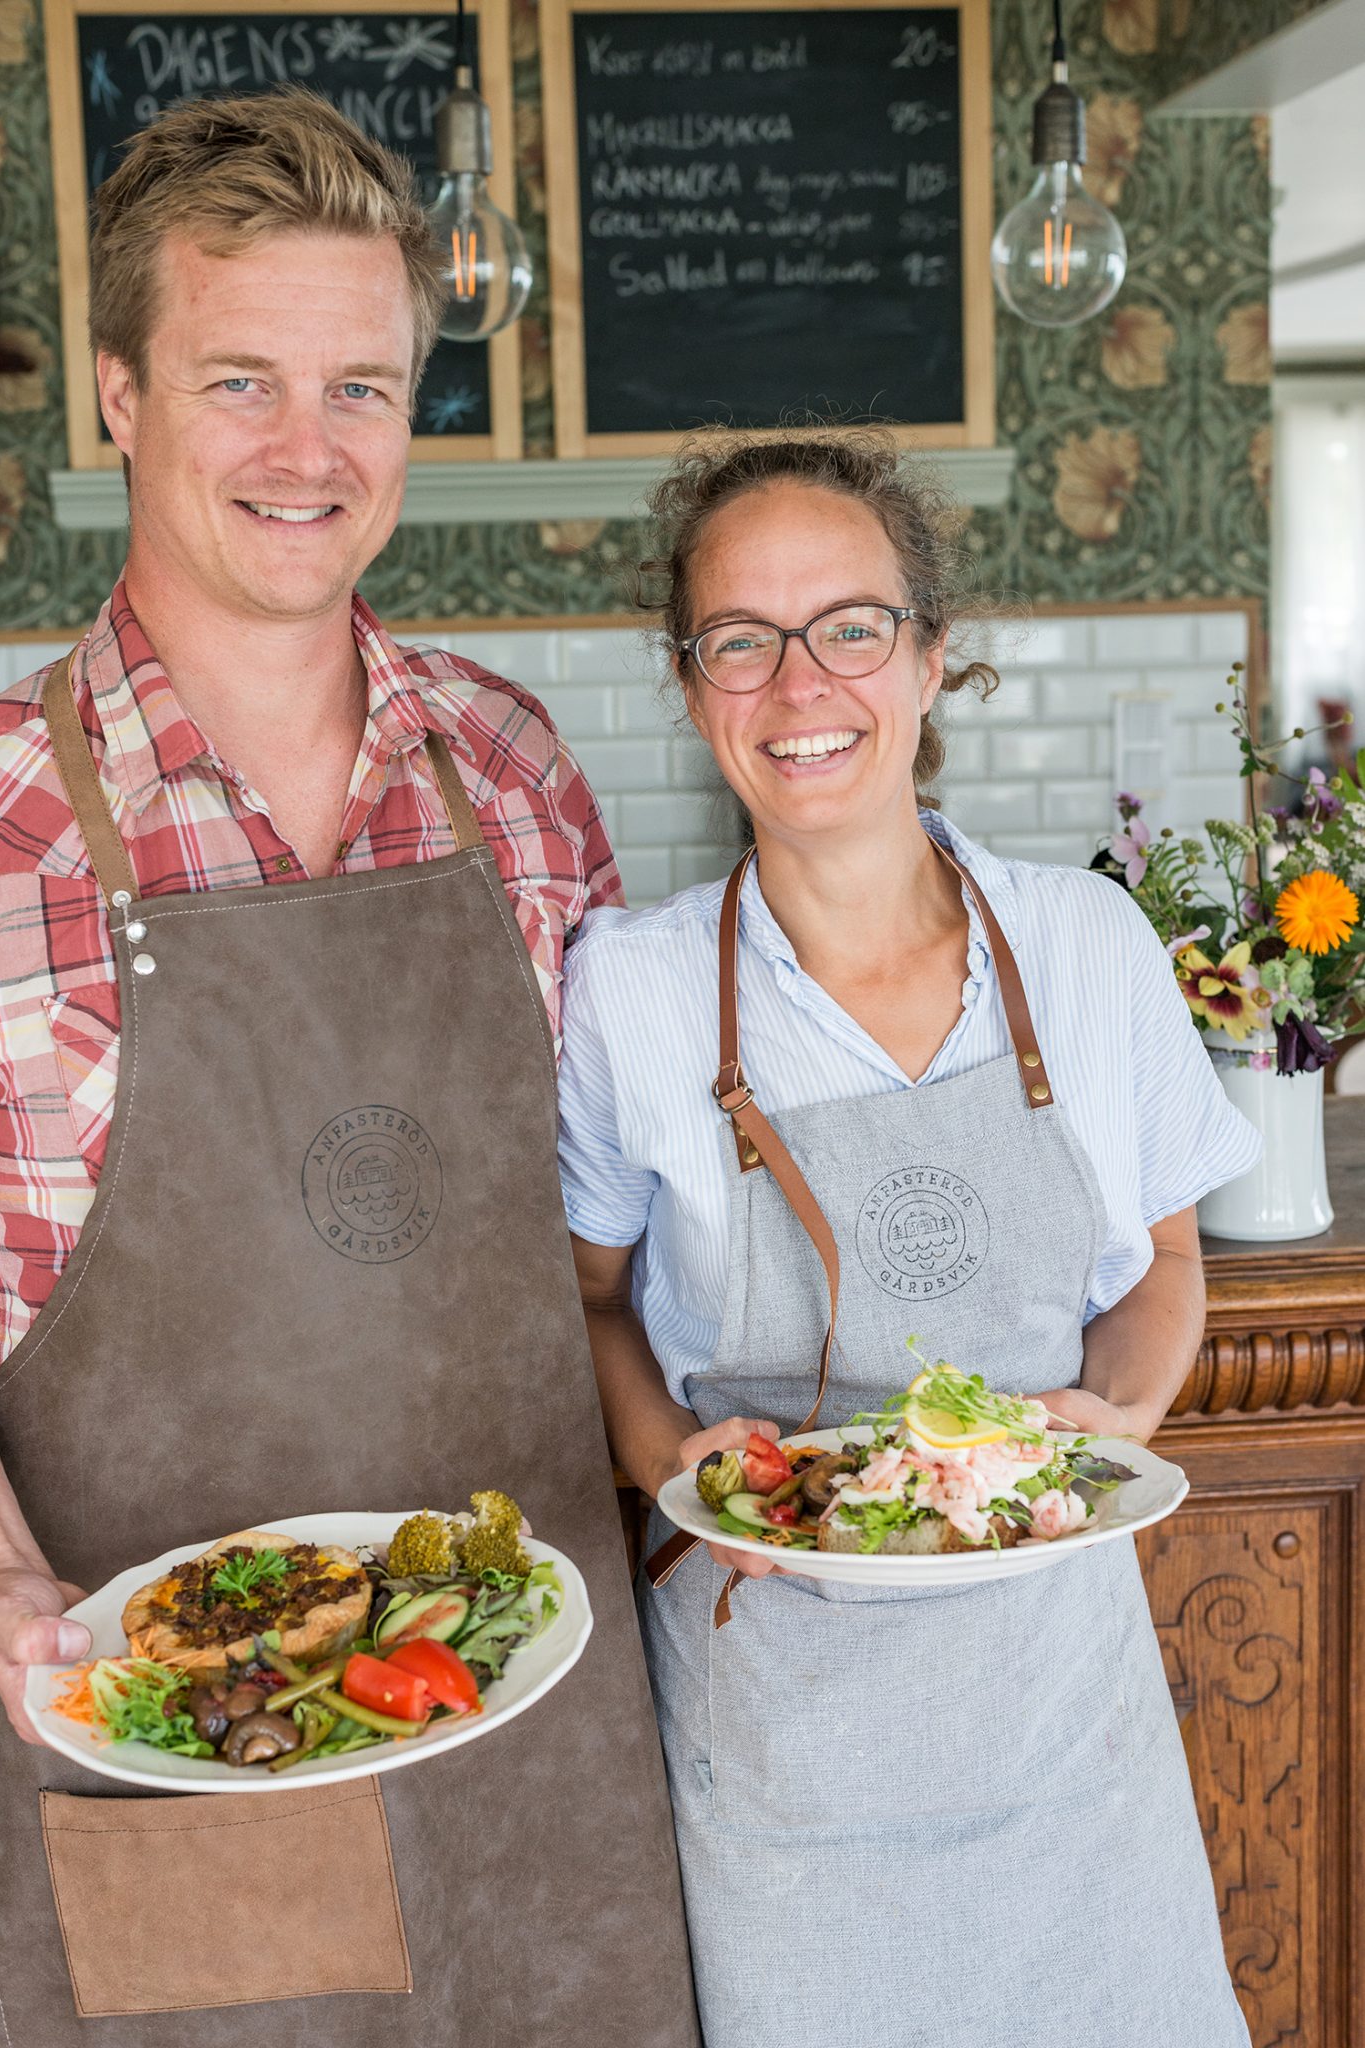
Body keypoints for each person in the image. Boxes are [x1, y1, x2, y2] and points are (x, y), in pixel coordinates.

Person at [0, 89, 697, 2047]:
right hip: (175, 1791)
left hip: (544, 1767)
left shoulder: (520, 775)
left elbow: (616, 1247)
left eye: (364, 388)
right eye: (241, 380)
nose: (309, 450)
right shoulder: (3, 837)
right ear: (122, 397)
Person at [560, 429, 1260, 2045]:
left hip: (1054, 1710)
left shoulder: (1084, 945)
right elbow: (584, 1300)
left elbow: (1165, 1264)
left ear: (935, 658)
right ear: (692, 684)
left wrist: (1119, 1425)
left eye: (851, 628)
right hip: (777, 1728)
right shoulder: (636, 992)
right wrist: (676, 1458)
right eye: (741, 639)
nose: (800, 686)